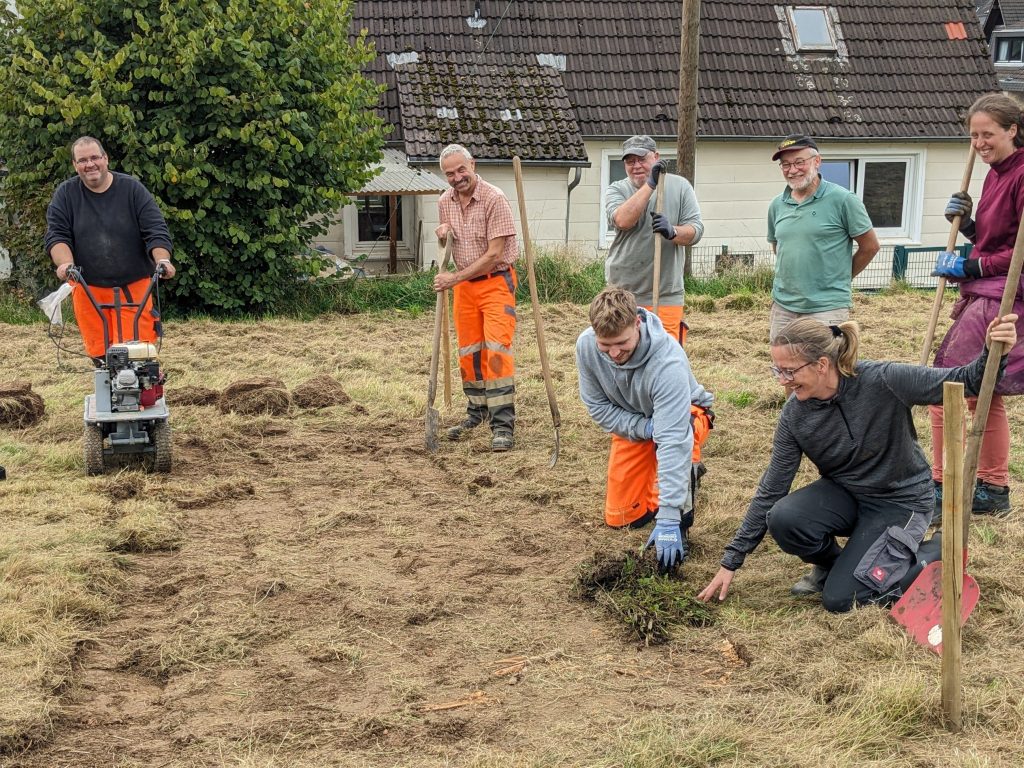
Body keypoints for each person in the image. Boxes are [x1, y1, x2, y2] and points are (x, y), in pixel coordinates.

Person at [697, 315, 1018, 612]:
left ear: (821, 364)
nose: (782, 381)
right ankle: (837, 565)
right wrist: (731, 561)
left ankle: (934, 552)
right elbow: (771, 490)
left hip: (901, 501)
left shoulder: (883, 380)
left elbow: (965, 381)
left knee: (840, 599)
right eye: (777, 370)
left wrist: (993, 351)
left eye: (789, 371)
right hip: (848, 496)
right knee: (783, 518)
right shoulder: (795, 416)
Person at [576, 287, 714, 571]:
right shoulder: (586, 347)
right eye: (606, 345)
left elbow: (673, 440)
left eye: (622, 343)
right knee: (623, 517)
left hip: (684, 416)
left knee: (680, 443)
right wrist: (645, 427)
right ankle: (655, 495)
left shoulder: (668, 362)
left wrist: (668, 519)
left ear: (637, 323)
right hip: (638, 423)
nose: (614, 353)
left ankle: (681, 516)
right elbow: (599, 409)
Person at [931, 93, 1024, 518]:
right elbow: (994, 240)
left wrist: (970, 265)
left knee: (947, 386)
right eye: (974, 136)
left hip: (1003, 294)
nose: (980, 143)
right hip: (986, 289)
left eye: (988, 134)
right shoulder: (993, 174)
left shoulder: (1022, 175)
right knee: (983, 391)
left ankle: (941, 482)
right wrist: (968, 226)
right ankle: (992, 488)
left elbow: (1018, 252)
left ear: (1012, 130)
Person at [45, 136, 175, 361]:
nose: (90, 164)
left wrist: (162, 260)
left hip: (134, 287)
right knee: (100, 355)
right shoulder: (66, 195)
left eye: (95, 157)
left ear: (106, 159)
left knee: (137, 354)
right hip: (89, 287)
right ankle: (106, 391)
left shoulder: (131, 189)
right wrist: (65, 264)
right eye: (83, 160)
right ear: (75, 165)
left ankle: (143, 394)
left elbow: (155, 230)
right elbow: (57, 235)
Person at [433, 144, 519, 452]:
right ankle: (477, 412)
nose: (457, 178)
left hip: (496, 282)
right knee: (470, 352)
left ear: (473, 164)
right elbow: (449, 241)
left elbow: (494, 253)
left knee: (496, 351)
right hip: (465, 288)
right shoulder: (445, 201)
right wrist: (443, 234)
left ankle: (503, 425)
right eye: (449, 174)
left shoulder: (494, 199)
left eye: (461, 170)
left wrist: (453, 278)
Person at [767, 134, 879, 340]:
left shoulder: (843, 200)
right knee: (784, 367)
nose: (792, 170)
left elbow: (870, 246)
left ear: (817, 161)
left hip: (827, 308)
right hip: (783, 306)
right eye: (785, 165)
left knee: (823, 367)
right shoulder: (777, 205)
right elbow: (778, 247)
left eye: (799, 162)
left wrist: (841, 278)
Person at [604, 135, 703, 345]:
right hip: (622, 294)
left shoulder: (680, 187)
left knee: (666, 359)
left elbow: (696, 231)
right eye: (630, 161)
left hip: (666, 293)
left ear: (656, 157)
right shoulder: (617, 189)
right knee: (623, 353)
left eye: (642, 159)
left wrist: (673, 231)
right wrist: (650, 185)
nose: (636, 165)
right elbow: (622, 220)